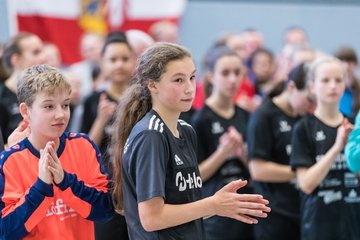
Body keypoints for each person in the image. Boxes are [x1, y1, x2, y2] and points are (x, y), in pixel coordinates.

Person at [111, 42, 270, 239]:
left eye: (192, 78)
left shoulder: (186, 130)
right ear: (152, 85)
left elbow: (185, 208)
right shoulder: (151, 135)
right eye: (178, 80)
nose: (189, 88)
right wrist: (212, 204)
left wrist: (223, 205)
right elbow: (152, 218)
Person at [0, 64, 114, 239]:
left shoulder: (83, 146)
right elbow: (6, 232)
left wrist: (66, 182)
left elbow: (105, 210)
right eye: (49, 106)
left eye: (65, 105)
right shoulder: (10, 161)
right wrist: (41, 187)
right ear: (25, 111)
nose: (61, 114)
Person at [290, 56, 359, 240]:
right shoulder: (303, 128)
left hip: (353, 223)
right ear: (312, 86)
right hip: (318, 227)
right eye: (325, 80)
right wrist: (337, 148)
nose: (333, 86)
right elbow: (306, 184)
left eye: (338, 80)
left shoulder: (354, 124)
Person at [191, 46, 254, 240]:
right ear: (210, 76)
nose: (233, 79)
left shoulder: (246, 116)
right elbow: (195, 176)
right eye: (225, 73)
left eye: (237, 73)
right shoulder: (199, 119)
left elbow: (255, 169)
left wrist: (242, 154)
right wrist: (223, 152)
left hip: (246, 206)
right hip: (216, 214)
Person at [247, 63, 315, 240]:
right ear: (291, 87)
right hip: (275, 213)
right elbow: (258, 170)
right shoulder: (264, 115)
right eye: (309, 99)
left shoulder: (304, 117)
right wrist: (303, 173)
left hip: (302, 208)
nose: (312, 106)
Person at [81, 31, 135, 240]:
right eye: (113, 59)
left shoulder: (143, 99)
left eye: (124, 59)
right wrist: (101, 119)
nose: (119, 65)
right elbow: (85, 149)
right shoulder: (92, 101)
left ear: (134, 61)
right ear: (102, 63)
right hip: (105, 188)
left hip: (137, 185)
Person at [0, 32, 45, 144]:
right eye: (36, 52)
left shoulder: (44, 93)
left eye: (42, 51)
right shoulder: (2, 98)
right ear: (16, 60)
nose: (43, 58)